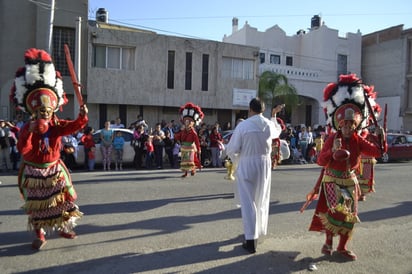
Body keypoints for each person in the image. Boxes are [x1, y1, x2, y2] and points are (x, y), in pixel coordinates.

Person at [10, 48, 89, 250]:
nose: (45, 112)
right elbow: (23, 149)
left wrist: (82, 115)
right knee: (37, 205)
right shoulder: (29, 127)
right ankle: (40, 234)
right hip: (34, 170)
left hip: (54, 168)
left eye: (47, 109)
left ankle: (63, 226)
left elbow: (74, 126)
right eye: (41, 110)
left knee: (63, 201)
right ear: (34, 110)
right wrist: (30, 132)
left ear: (52, 108)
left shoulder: (56, 125)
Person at [305, 74, 386, 260]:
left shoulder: (359, 140)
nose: (348, 128)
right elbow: (320, 161)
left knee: (349, 217)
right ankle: (328, 243)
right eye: (345, 125)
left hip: (350, 181)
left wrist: (381, 138)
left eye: (351, 125)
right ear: (339, 124)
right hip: (332, 180)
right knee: (332, 214)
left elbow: (377, 152)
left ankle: (342, 247)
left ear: (356, 125)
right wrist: (331, 153)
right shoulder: (332, 139)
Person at [225, 98, 283, 253]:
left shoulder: (243, 125)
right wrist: (274, 116)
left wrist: (237, 160)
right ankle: (258, 233)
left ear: (250, 109)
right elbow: (278, 132)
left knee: (248, 201)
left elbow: (231, 148)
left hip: (247, 163)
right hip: (264, 164)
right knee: (261, 199)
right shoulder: (268, 124)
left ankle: (251, 239)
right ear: (262, 110)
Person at [174, 102, 204, 177]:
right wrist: (178, 133)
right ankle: (186, 172)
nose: (187, 123)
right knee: (184, 161)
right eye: (186, 122)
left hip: (191, 147)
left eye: (188, 122)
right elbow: (177, 137)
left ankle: (193, 170)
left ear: (192, 123)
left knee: (191, 161)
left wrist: (198, 148)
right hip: (184, 147)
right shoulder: (182, 131)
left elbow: (196, 141)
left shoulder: (193, 132)